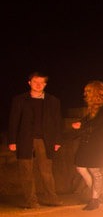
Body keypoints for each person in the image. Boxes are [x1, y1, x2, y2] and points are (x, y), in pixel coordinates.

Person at [8, 71, 63, 208]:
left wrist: (57, 141)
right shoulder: (19, 100)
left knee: (46, 171)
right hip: (24, 140)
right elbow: (14, 121)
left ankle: (52, 199)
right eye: (35, 82)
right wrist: (12, 141)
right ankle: (31, 201)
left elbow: (57, 121)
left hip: (45, 140)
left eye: (41, 82)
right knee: (26, 171)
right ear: (29, 83)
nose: (38, 85)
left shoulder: (53, 101)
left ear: (45, 84)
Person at [71, 80, 103, 211]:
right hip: (87, 143)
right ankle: (97, 194)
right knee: (80, 167)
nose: (85, 94)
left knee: (95, 171)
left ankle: (94, 199)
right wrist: (80, 123)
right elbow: (87, 120)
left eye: (88, 91)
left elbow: (96, 124)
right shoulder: (93, 109)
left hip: (97, 145)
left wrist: (81, 125)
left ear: (96, 93)